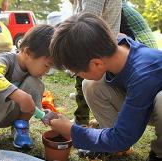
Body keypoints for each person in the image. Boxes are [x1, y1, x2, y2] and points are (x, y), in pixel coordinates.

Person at [48, 12, 162, 161]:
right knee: (92, 85)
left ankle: (159, 153)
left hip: (155, 103)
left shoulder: (143, 73)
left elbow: (123, 137)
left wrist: (72, 131)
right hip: (144, 100)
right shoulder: (116, 46)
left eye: (77, 72)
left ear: (96, 63)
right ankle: (113, 146)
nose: (79, 76)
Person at [0, 25, 54, 154]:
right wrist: (18, 95)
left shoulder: (33, 74)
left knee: (35, 83)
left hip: (12, 115)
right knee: (1, 91)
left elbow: (30, 105)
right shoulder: (5, 59)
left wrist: (42, 113)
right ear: (27, 52)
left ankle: (21, 127)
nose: (47, 71)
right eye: (46, 65)